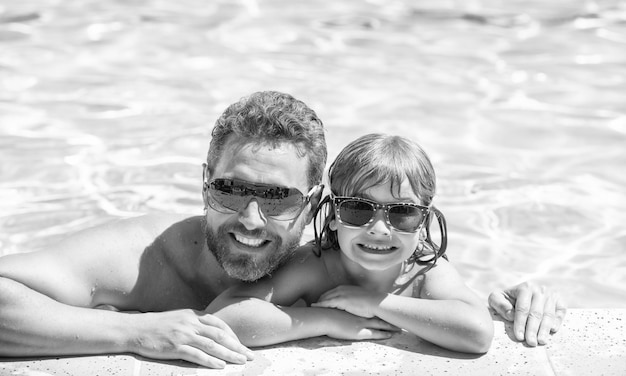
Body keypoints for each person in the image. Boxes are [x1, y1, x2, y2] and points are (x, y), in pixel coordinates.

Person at [0, 91, 566, 368]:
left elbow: (407, 272)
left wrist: (516, 294)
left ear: (315, 203)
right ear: (204, 183)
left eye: (275, 199)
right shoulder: (140, 255)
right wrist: (133, 334)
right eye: (230, 190)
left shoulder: (327, 255)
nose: (249, 221)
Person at [208, 133, 494, 352]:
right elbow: (223, 317)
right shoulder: (318, 265)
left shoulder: (423, 270)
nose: (380, 229)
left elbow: (477, 332)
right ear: (332, 214)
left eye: (403, 213)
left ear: (424, 221)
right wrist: (325, 320)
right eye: (358, 210)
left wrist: (375, 303)